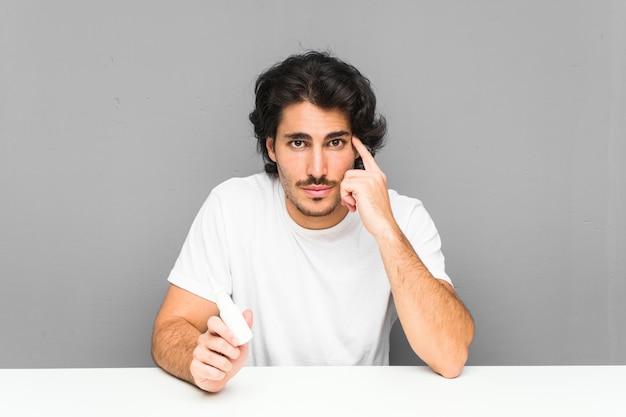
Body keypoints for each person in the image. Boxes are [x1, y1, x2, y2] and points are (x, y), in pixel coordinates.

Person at [151, 50, 475, 393]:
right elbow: (171, 327)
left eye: (335, 143)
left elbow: (450, 355)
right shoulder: (231, 206)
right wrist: (197, 359)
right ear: (273, 148)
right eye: (298, 143)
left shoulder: (403, 217)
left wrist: (386, 230)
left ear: (359, 149)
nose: (317, 169)